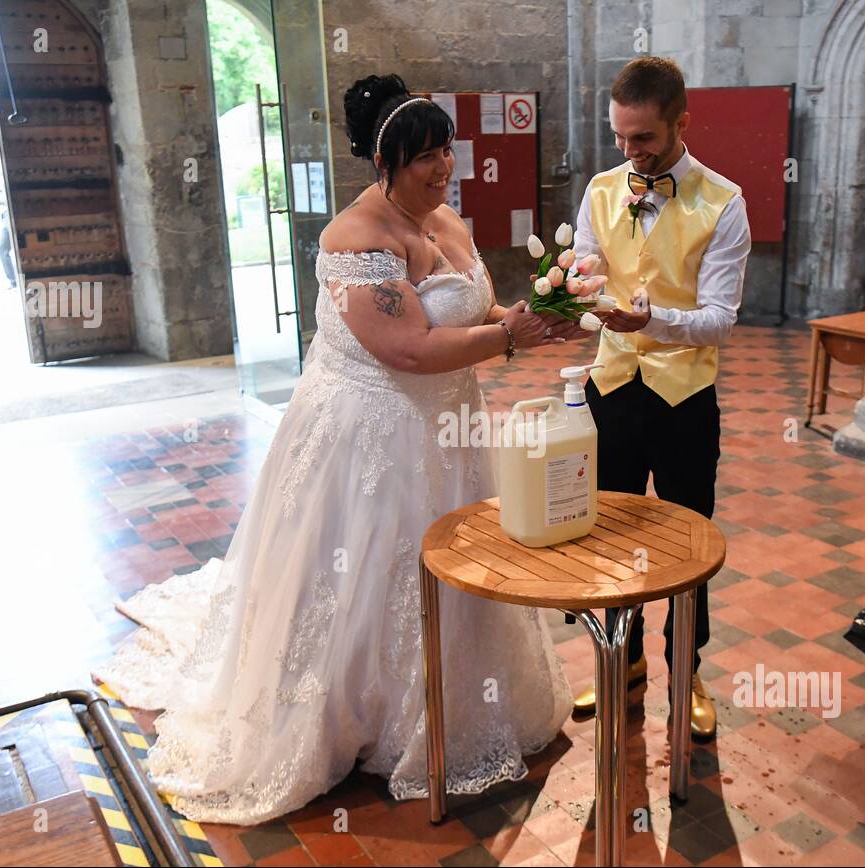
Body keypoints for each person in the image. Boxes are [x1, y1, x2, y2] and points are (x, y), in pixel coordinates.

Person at [93, 73, 591, 825]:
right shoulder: (353, 238)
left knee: (451, 564)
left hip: (447, 427)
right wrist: (506, 338)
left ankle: (449, 707)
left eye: (445, 150)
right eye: (424, 156)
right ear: (383, 160)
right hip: (372, 434)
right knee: (362, 569)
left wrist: (525, 314)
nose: (443, 168)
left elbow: (472, 306)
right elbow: (409, 349)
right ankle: (349, 716)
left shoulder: (446, 221)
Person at [570, 56, 751, 739]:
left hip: (684, 400)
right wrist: (575, 288)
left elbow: (721, 319)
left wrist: (654, 321)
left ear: (681, 122)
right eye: (620, 137)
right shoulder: (599, 190)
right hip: (611, 390)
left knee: (688, 545)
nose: (630, 152)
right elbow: (588, 267)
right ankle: (622, 663)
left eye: (642, 138)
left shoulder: (724, 202)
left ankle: (689, 670)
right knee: (609, 535)